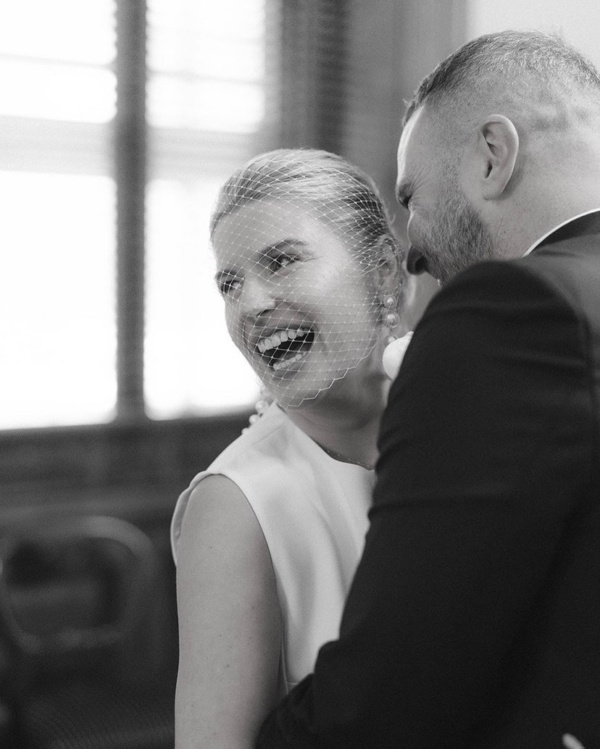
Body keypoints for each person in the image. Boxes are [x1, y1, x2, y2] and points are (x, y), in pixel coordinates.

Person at [256, 30, 600, 749]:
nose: (410, 249)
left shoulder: (511, 312)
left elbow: (393, 691)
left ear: (491, 155)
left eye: (410, 194)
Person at [170, 148, 413, 748]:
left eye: (281, 261)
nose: (250, 304)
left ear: (382, 271)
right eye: (230, 283)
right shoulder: (237, 505)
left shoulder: (472, 423)